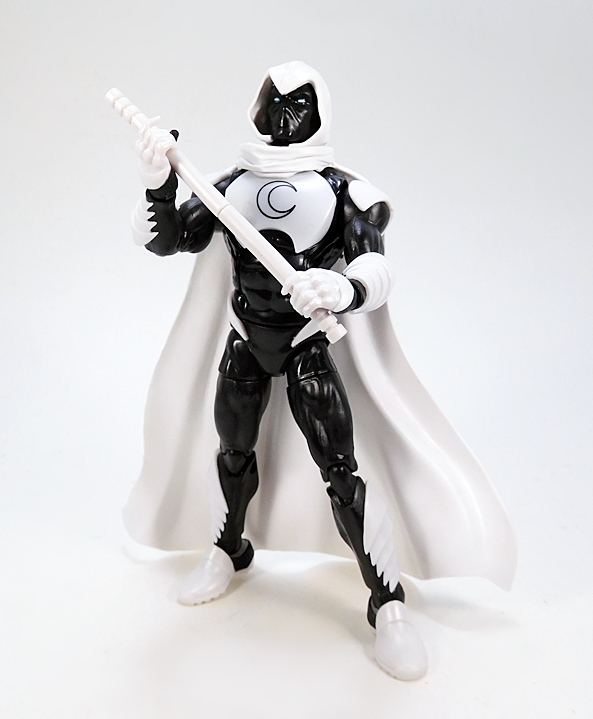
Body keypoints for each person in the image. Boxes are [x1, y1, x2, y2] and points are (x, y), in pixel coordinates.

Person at [123, 61, 515, 680]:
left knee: (341, 472)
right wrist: (157, 185)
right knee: (232, 453)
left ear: (318, 112)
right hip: (246, 342)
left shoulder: (342, 193)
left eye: (296, 105)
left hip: (306, 346)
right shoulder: (230, 186)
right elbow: (169, 240)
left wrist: (340, 287)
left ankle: (387, 602)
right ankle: (228, 549)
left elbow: (375, 266)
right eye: (273, 103)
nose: (282, 118)